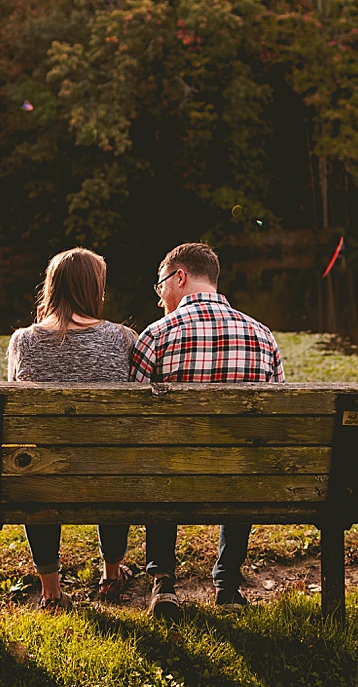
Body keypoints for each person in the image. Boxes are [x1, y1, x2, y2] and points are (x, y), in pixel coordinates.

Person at [129, 242, 284, 617]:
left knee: (161, 456)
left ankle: (164, 581)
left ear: (179, 277)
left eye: (161, 285)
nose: (160, 296)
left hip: (170, 476)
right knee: (243, 457)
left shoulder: (156, 335)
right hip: (238, 477)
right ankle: (227, 584)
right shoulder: (262, 336)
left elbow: (131, 419)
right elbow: (277, 417)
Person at [8, 247, 137, 608]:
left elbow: (18, 406)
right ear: (93, 289)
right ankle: (112, 576)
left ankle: (51, 592)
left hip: (42, 474)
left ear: (52, 288)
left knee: (35, 461)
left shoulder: (24, 340)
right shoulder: (122, 338)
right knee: (112, 458)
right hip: (106, 472)